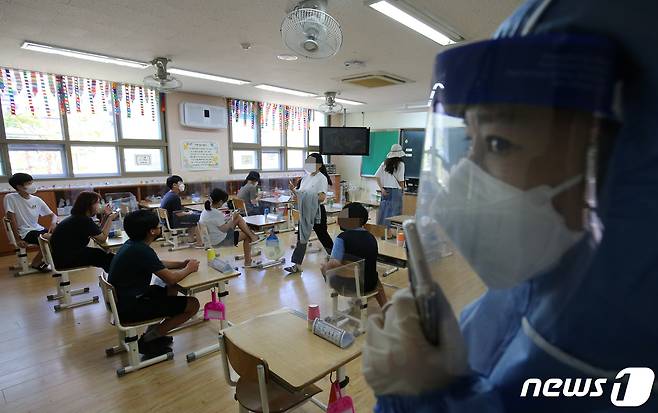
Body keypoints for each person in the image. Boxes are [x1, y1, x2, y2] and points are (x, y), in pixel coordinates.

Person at [363, 1, 658, 411]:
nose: (456, 192)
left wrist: (423, 397)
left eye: (499, 143)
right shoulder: (525, 290)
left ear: (620, 162)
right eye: (471, 141)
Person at [108, 209, 200, 357]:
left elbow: (157, 263)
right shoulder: (142, 250)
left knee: (170, 289)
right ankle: (147, 341)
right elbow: (171, 278)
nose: (161, 227)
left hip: (124, 300)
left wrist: (181, 264)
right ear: (151, 231)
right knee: (193, 304)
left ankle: (157, 333)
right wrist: (189, 268)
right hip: (130, 308)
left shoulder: (132, 244)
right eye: (159, 226)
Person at [321, 202, 387, 307]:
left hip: (348, 286)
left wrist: (324, 268)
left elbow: (334, 263)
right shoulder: (371, 237)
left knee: (326, 266)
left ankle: (354, 297)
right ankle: (385, 307)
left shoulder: (341, 238)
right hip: (370, 285)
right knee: (370, 273)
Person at [284, 153, 334, 274]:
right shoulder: (305, 178)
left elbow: (321, 197)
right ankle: (297, 264)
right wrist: (293, 190)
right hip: (306, 210)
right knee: (302, 237)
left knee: (322, 235)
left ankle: (336, 257)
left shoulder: (322, 178)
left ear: (319, 165)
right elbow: (300, 195)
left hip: (317, 210)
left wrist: (304, 197)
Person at [50, 191, 117, 272]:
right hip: (67, 259)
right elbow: (102, 238)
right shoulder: (83, 220)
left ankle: (113, 279)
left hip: (62, 257)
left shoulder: (78, 218)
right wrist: (110, 219)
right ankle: (115, 281)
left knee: (103, 254)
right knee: (108, 257)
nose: (99, 206)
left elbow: (97, 231)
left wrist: (106, 216)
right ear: (88, 205)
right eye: (97, 203)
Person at [3, 173, 58, 272]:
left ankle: (53, 261)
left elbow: (53, 215)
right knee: (49, 238)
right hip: (24, 232)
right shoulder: (10, 198)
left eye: (32, 182)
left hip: (37, 229)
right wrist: (18, 239)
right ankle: (36, 263)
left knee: (60, 234)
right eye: (29, 183)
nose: (32, 185)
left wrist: (53, 223)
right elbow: (11, 219)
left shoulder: (37, 200)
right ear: (19, 187)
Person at [199, 188, 264, 266]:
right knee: (246, 235)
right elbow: (225, 229)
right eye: (224, 202)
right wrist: (232, 218)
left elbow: (218, 224)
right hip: (220, 240)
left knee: (238, 217)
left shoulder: (206, 210)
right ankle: (248, 260)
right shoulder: (215, 213)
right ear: (220, 202)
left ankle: (253, 236)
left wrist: (231, 218)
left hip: (213, 237)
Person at [160, 175, 202, 248]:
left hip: (166, 222)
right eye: (180, 183)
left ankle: (191, 239)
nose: (183, 185)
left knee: (193, 216)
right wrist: (188, 213)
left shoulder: (168, 194)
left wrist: (188, 213)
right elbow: (178, 214)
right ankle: (200, 242)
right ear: (174, 185)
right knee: (199, 217)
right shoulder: (174, 197)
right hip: (173, 223)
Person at [375, 144, 406, 237]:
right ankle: (391, 234)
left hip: (385, 190)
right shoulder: (401, 164)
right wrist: (403, 190)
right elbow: (401, 181)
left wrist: (381, 189)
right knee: (395, 214)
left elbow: (376, 176)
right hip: (396, 191)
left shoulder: (384, 163)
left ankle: (384, 233)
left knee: (384, 211)